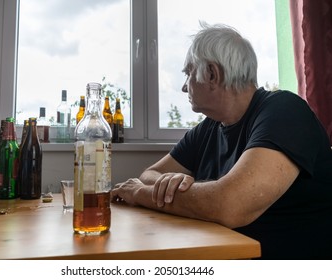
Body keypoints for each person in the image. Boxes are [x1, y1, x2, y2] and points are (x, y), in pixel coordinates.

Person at [111, 22, 332, 259]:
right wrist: (169, 183)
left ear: (212, 74)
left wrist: (140, 194)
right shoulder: (209, 127)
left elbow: (230, 206)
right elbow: (149, 175)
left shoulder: (285, 111)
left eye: (188, 73)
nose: (184, 87)